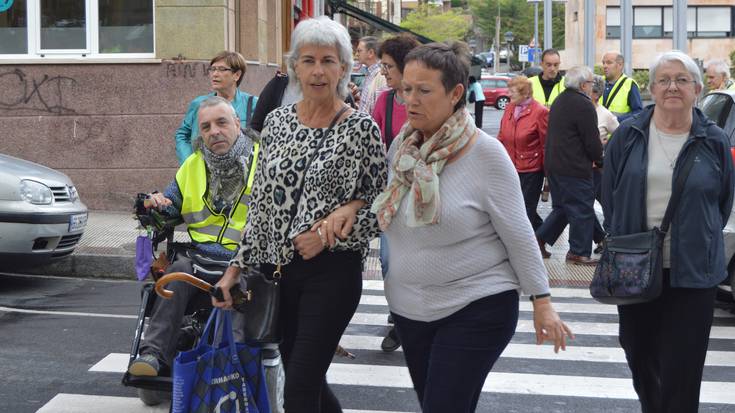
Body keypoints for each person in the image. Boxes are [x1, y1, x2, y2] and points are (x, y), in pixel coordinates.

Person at [372, 41, 573, 413]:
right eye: (407, 90)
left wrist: (542, 302)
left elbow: (518, 232)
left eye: (424, 90)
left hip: (475, 306)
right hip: (410, 309)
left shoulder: (485, 153)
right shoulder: (403, 147)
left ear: (455, 94)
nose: (411, 100)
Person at [213, 17, 387, 413]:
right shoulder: (275, 123)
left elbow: (383, 206)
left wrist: (329, 232)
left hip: (333, 273)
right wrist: (233, 272)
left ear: (344, 68)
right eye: (308, 60)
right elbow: (260, 205)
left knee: (300, 390)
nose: (318, 70)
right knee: (302, 377)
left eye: (329, 60)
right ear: (295, 67)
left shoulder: (360, 128)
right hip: (280, 275)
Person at [601, 50, 734, 413]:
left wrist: (699, 238)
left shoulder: (714, 140)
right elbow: (609, 195)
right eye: (664, 80)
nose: (672, 86)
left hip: (694, 274)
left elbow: (721, 201)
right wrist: (628, 235)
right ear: (652, 89)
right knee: (639, 354)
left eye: (681, 80)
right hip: (634, 267)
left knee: (683, 368)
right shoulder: (628, 136)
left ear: (697, 89)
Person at [129, 96, 258, 376]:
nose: (214, 132)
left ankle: (230, 366)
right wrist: (154, 204)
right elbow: (170, 206)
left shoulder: (264, 161)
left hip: (245, 261)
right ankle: (152, 356)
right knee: (175, 273)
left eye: (222, 123)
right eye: (206, 126)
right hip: (200, 260)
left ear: (237, 123)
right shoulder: (192, 165)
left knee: (244, 291)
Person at [370, 32, 420, 353]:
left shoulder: (426, 97)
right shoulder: (384, 101)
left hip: (425, 201)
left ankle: (412, 318)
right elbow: (373, 149)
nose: (383, 72)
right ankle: (399, 315)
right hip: (393, 200)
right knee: (389, 261)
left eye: (388, 66)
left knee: (418, 263)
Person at [535, 66, 602, 265]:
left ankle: (539, 239)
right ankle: (578, 252)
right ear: (583, 85)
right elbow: (591, 139)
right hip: (574, 166)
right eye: (591, 83)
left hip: (555, 164)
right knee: (581, 208)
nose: (593, 87)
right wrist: (600, 160)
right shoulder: (584, 104)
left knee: (564, 207)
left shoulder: (560, 100)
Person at [174, 51, 258, 164]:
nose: (215, 74)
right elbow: (182, 135)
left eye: (222, 69)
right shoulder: (200, 104)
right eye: (213, 69)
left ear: (237, 75)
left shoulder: (253, 104)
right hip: (205, 172)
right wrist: (188, 161)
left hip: (241, 172)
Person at [497, 76, 549, 234]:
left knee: (525, 208)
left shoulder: (540, 112)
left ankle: (524, 243)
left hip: (531, 169)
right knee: (513, 206)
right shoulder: (510, 108)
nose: (508, 94)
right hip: (510, 166)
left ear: (526, 93)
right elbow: (501, 134)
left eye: (512, 91)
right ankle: (540, 237)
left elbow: (546, 144)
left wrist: (547, 173)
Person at [600, 51, 643, 122]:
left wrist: (617, 120)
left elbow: (638, 112)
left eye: (609, 63)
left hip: (619, 131)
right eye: (603, 63)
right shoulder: (598, 81)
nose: (605, 66)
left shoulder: (630, 84)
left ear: (620, 65)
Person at [356, 35, 387, 115]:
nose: (356, 54)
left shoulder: (382, 76)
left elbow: (379, 111)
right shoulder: (370, 73)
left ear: (370, 53)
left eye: (359, 51)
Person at [590, 75, 619, 145]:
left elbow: (621, 136)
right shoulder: (577, 110)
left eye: (587, 90)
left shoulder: (606, 114)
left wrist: (607, 143)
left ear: (596, 94)